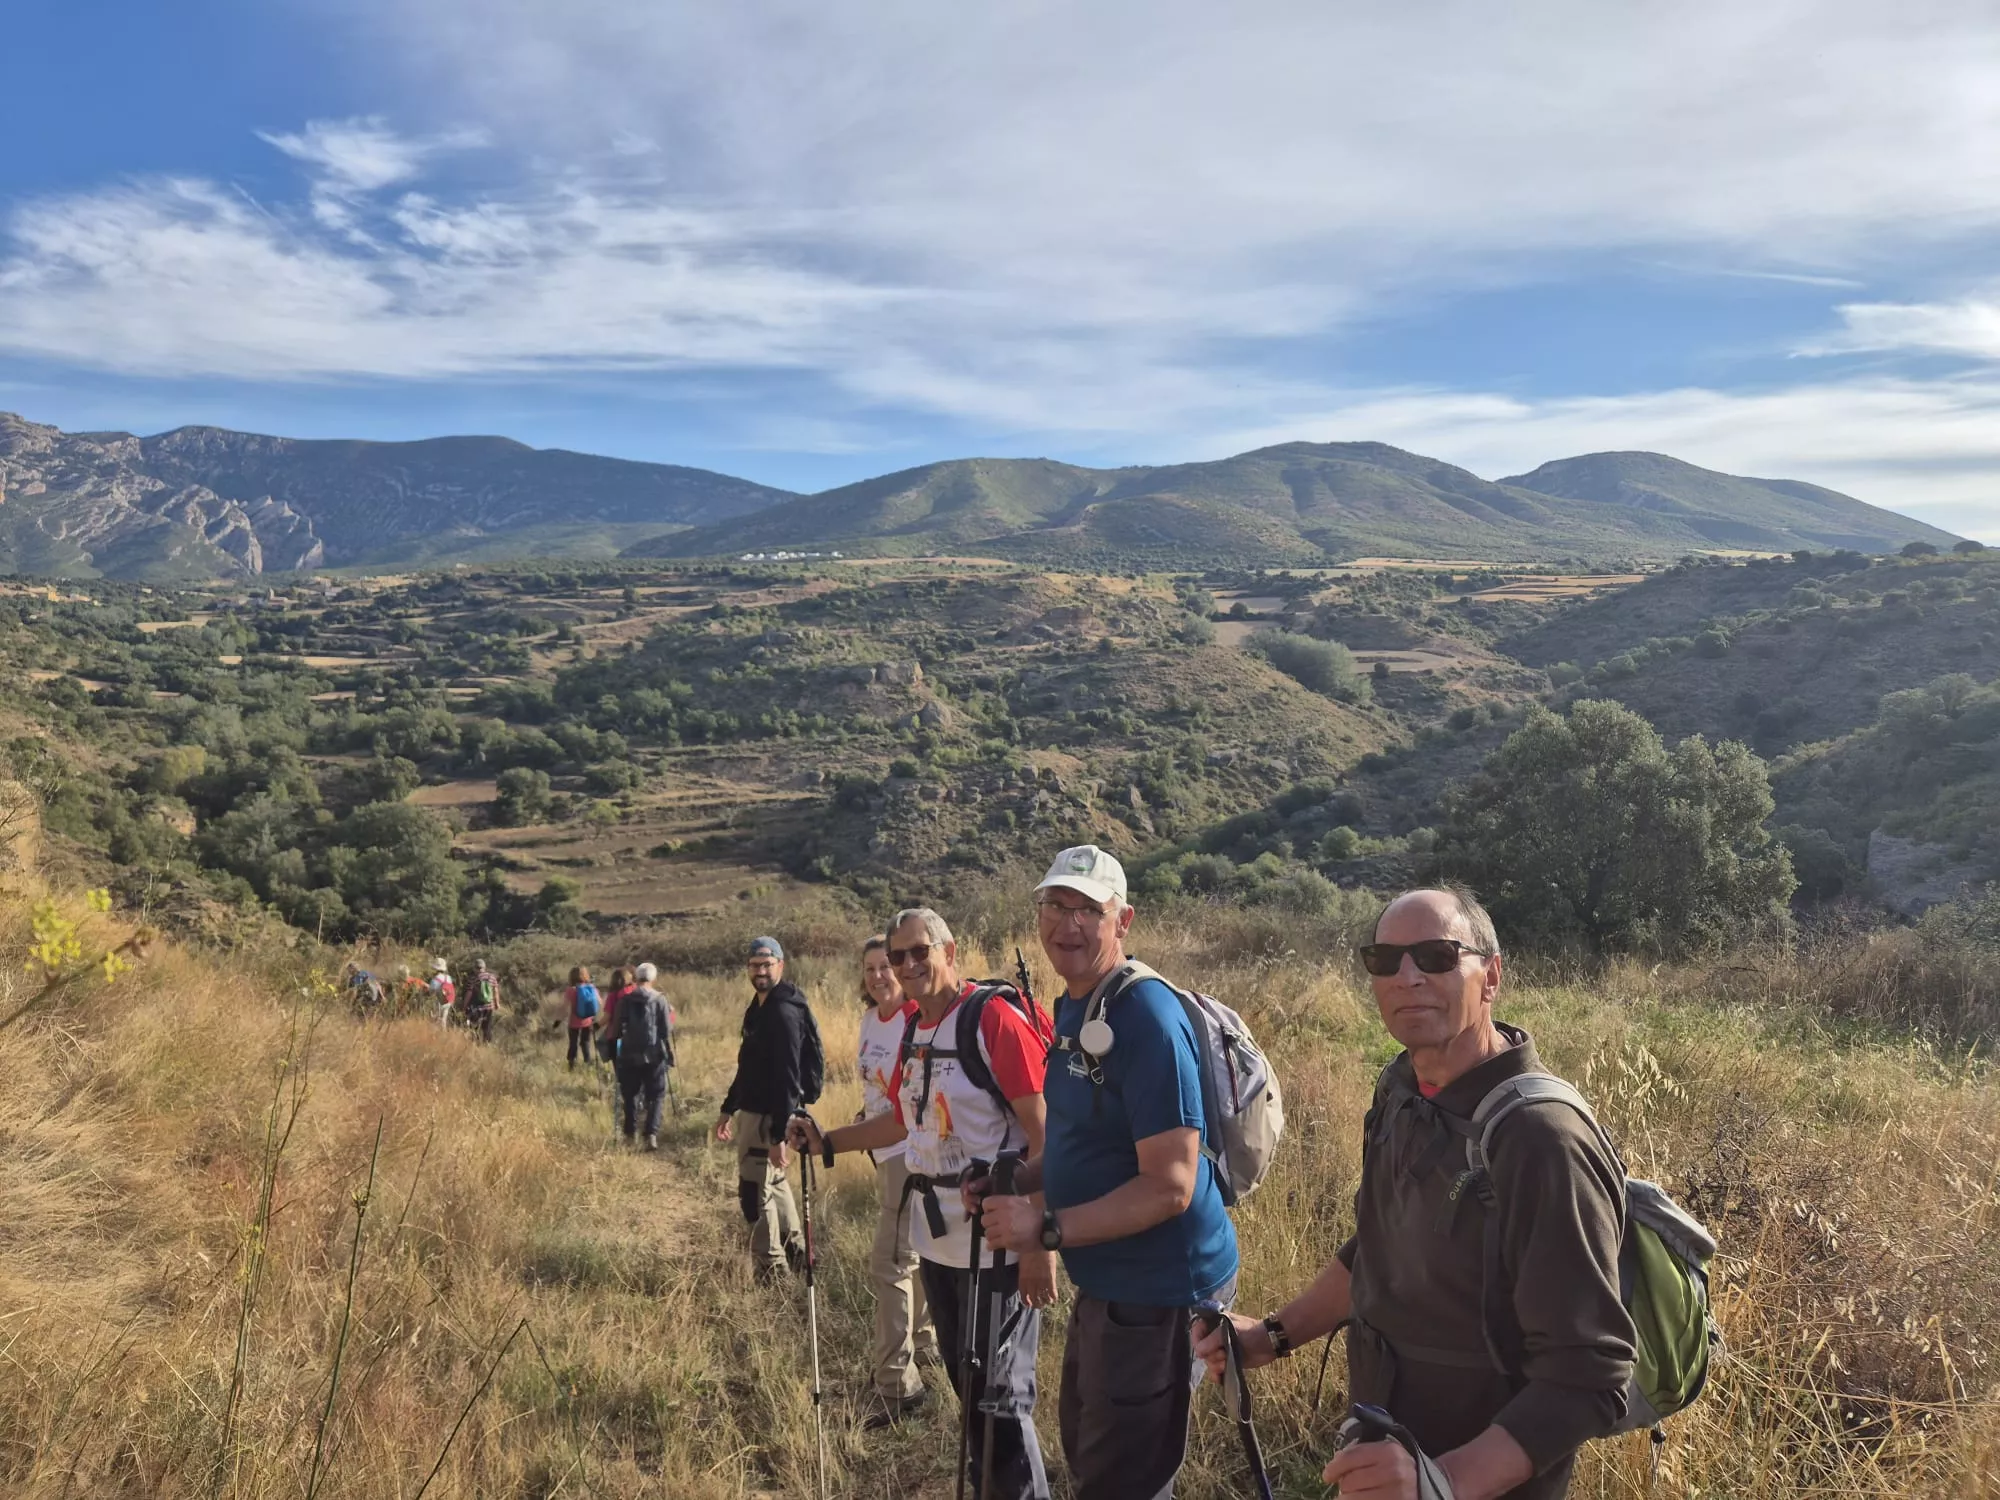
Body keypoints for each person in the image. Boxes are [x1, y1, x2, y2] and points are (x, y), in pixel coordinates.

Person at [1193, 888, 1635, 1500]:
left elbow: (1592, 1375)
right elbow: (1377, 1246)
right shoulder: (1401, 1089)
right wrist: (1272, 1336)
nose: (1407, 976)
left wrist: (1442, 1480)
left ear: (1491, 977)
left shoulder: (1539, 1137)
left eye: (1435, 955)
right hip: (1382, 1453)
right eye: (1385, 959)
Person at [979, 845, 1237, 1500]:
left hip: (1158, 1287)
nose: (1067, 924)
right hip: (1110, 1274)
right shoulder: (1078, 1004)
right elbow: (1086, 1142)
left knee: (1122, 1479)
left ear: (1122, 921)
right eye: (1055, 905)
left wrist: (1046, 1230)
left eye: (1087, 910)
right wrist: (1017, 1177)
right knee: (1095, 1452)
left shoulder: (1144, 1018)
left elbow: (1170, 1185)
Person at [792, 909, 1055, 1500]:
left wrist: (1040, 1243)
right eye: (898, 954)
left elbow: (1046, 1137)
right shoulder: (914, 1031)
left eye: (920, 952)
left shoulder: (993, 1022)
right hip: (937, 1243)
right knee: (972, 1391)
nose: (909, 965)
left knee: (1001, 1401)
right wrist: (829, 1140)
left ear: (949, 950)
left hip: (999, 1245)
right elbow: (900, 1124)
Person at [853, 934, 940, 1428]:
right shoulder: (872, 1019)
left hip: (909, 1151)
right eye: (869, 969)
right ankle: (924, 1345)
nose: (879, 975)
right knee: (915, 1254)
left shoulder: (915, 1019)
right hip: (883, 1149)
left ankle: (896, 1382)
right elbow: (876, 1086)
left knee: (890, 1264)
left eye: (886, 965)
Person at [715, 937, 817, 1280]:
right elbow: (750, 1067)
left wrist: (778, 1134)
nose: (760, 970)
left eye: (767, 964)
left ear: (780, 966)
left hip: (768, 1117)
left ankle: (771, 1269)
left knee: (753, 1192)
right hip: (756, 1112)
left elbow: (788, 1077)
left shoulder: (782, 1011)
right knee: (773, 1184)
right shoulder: (761, 1005)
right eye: (755, 965)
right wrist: (729, 1108)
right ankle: (798, 1254)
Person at [604, 962, 674, 1149]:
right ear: (653, 978)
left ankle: (630, 1134)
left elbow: (617, 1029)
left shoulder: (624, 1001)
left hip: (628, 1054)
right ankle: (651, 1134)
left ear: (636, 978)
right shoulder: (660, 999)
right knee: (656, 1095)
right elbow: (666, 1030)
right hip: (654, 1055)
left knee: (630, 1095)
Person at [563, 966, 599, 1069]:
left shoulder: (571, 990)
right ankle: (588, 1064)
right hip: (588, 1021)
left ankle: (572, 1065)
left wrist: (559, 1019)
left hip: (574, 1022)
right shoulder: (591, 988)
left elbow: (565, 1006)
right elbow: (599, 1002)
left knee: (573, 1043)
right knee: (586, 1043)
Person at [465, 958, 500, 1043]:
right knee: (487, 1027)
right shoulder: (492, 977)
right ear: (484, 967)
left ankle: (475, 1043)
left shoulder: (473, 979)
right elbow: (495, 991)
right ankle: (487, 1044)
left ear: (475, 968)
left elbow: (469, 993)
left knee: (475, 1027)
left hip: (477, 1008)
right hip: (489, 1007)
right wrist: (497, 1004)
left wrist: (465, 1005)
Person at [428, 958, 456, 1028]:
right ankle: (444, 1034)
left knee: (435, 1021)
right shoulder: (448, 977)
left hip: (439, 1002)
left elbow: (431, 991)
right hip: (448, 1001)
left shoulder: (435, 979)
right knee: (444, 1020)